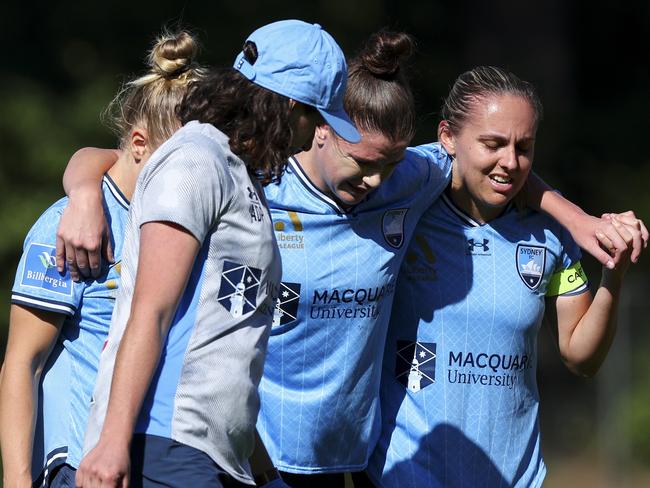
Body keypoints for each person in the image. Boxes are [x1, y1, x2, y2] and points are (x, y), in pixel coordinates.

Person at [54, 32, 647, 488]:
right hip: (223, 448)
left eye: (387, 166)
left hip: (334, 459)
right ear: (319, 130)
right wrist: (82, 193)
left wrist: (580, 222)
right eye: (362, 162)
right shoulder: (253, 173)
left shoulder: (410, 182)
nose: (374, 180)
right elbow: (125, 161)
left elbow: (502, 168)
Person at [71, 20, 359, 488]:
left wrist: (262, 471)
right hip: (162, 446)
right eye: (316, 117)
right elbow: (152, 310)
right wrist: (111, 443)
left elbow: (227, 341)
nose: (312, 138)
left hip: (213, 458)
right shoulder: (194, 161)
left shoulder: (238, 172)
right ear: (287, 104)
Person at [367, 66, 645, 487]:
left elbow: (580, 356)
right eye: (492, 144)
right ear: (446, 137)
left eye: (524, 147)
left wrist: (614, 276)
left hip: (513, 477)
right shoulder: (405, 205)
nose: (511, 163)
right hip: (404, 473)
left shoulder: (550, 235)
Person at [0, 30, 206, 488]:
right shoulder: (68, 225)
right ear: (138, 145)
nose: (201, 172)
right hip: (81, 462)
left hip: (161, 460)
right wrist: (17, 480)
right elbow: (22, 364)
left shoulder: (194, 220)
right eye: (186, 158)